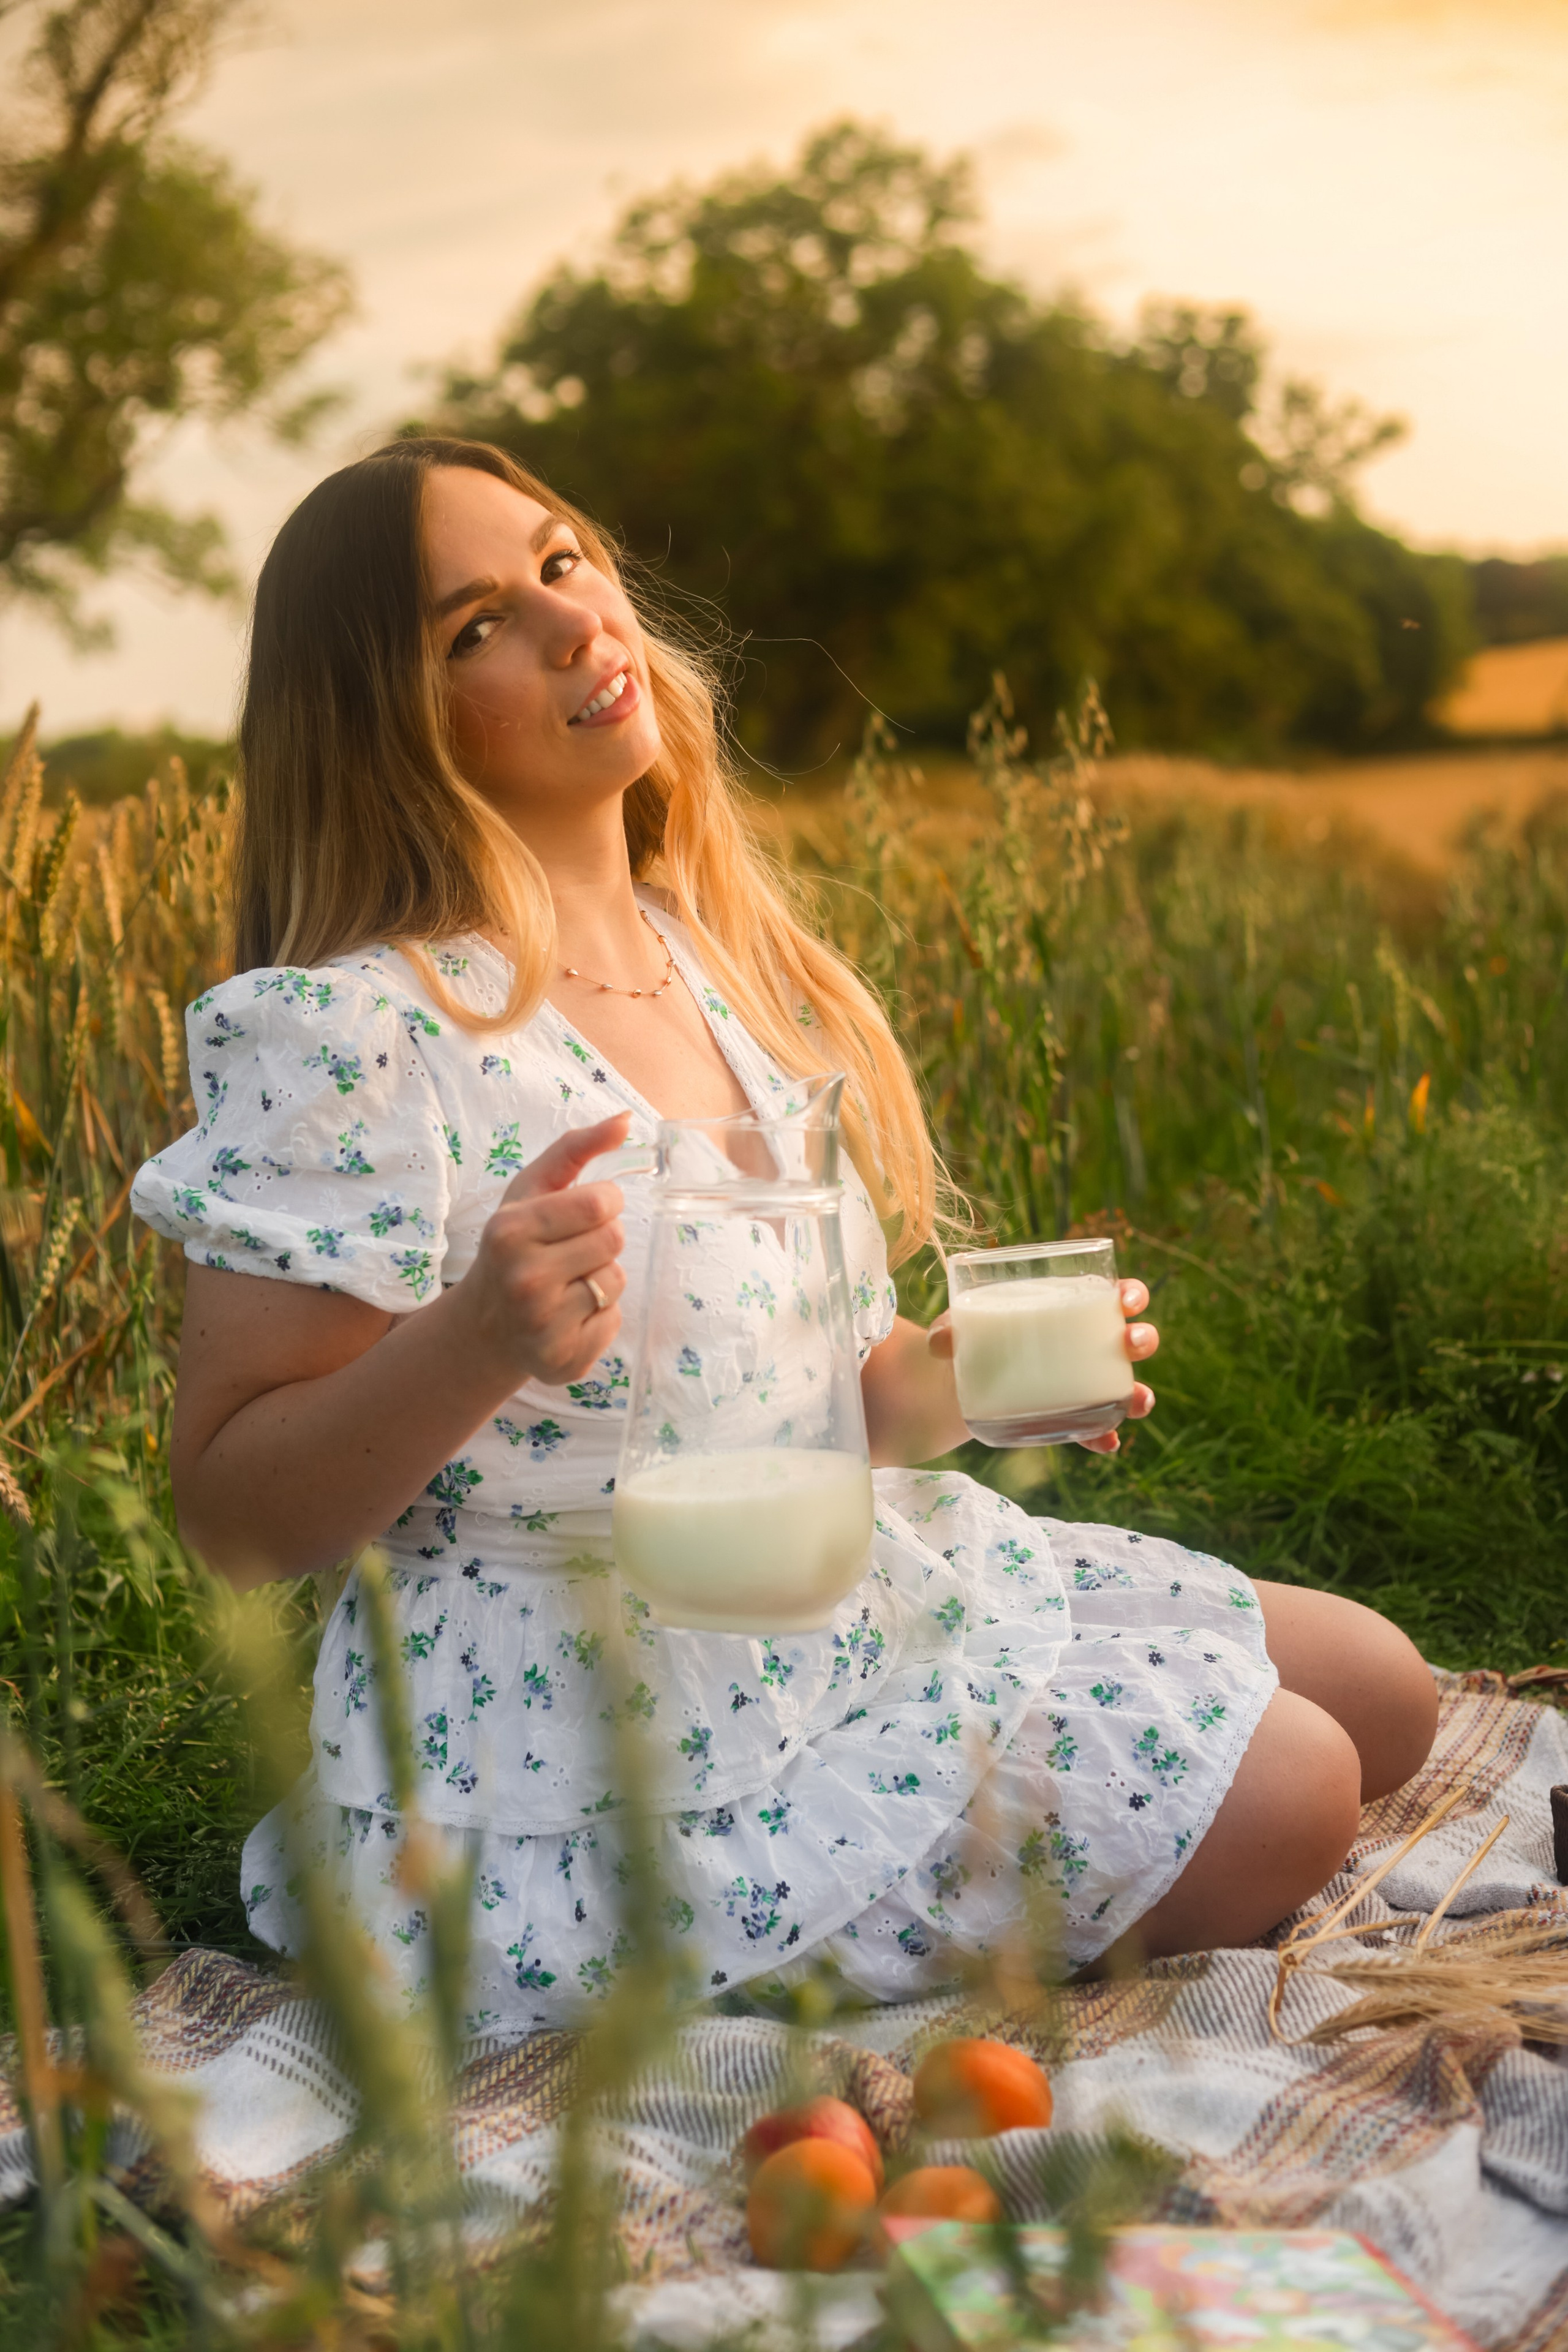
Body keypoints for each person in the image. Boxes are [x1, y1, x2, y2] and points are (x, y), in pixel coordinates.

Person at [132, 438, 1438, 2032]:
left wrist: (955, 1383)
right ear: (380, 720)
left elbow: (826, 1398)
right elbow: (232, 1515)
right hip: (605, 1730)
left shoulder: (698, 947)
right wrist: (474, 1342)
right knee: (1300, 1786)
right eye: (477, 626)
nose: (573, 623)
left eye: (561, 561)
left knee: (1387, 1690)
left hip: (843, 1593)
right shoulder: (353, 1035)